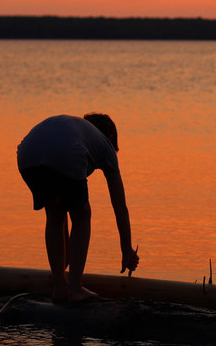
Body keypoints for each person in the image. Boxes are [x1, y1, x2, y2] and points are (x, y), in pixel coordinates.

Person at [17, 113, 139, 302]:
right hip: (64, 152)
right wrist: (126, 249)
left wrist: (66, 256)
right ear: (110, 138)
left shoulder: (78, 129)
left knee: (55, 214)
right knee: (82, 215)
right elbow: (120, 206)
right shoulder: (104, 144)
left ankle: (59, 288)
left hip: (27, 155)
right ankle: (75, 288)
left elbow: (63, 203)